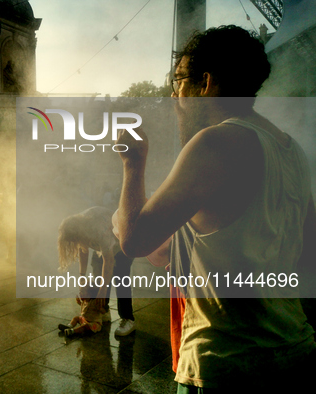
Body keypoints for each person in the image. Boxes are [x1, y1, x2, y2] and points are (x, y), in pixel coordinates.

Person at [113, 25, 316, 392]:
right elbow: (307, 251)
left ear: (204, 82)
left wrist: (133, 164)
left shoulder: (217, 143)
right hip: (295, 352)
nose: (174, 94)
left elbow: (133, 241)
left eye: (178, 81)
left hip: (225, 364)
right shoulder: (293, 151)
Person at [58, 206, 135, 336]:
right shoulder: (79, 227)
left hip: (123, 243)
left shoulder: (97, 228)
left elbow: (109, 261)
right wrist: (82, 279)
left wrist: (102, 291)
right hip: (104, 247)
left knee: (121, 278)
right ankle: (103, 311)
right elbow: (83, 249)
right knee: (98, 275)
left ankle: (128, 318)